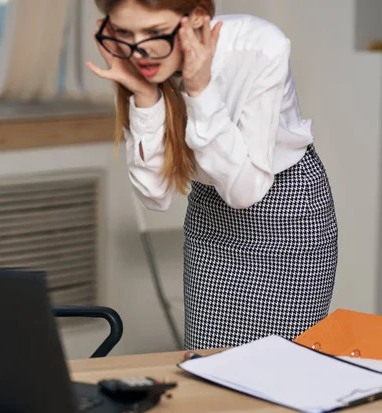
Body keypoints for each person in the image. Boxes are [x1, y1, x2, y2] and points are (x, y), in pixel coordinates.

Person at [87, 0, 338, 350]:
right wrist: (144, 96)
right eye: (125, 33)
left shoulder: (259, 46)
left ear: (196, 20)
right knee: (209, 361)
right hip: (211, 210)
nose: (140, 51)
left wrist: (198, 90)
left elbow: (246, 190)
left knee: (280, 365)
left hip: (286, 208)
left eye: (156, 33)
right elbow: (155, 196)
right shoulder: (136, 63)